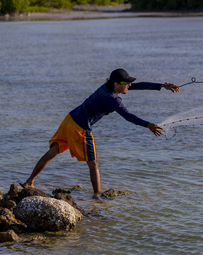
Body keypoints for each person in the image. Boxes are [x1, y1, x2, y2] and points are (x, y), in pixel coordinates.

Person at [22, 68, 179, 196]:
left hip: (70, 119)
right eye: (126, 83)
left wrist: (162, 85)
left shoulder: (108, 87)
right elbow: (127, 115)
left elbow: (136, 86)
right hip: (80, 127)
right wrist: (148, 125)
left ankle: (29, 181)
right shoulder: (113, 99)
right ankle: (97, 197)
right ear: (117, 84)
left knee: (53, 151)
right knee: (93, 163)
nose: (129, 86)